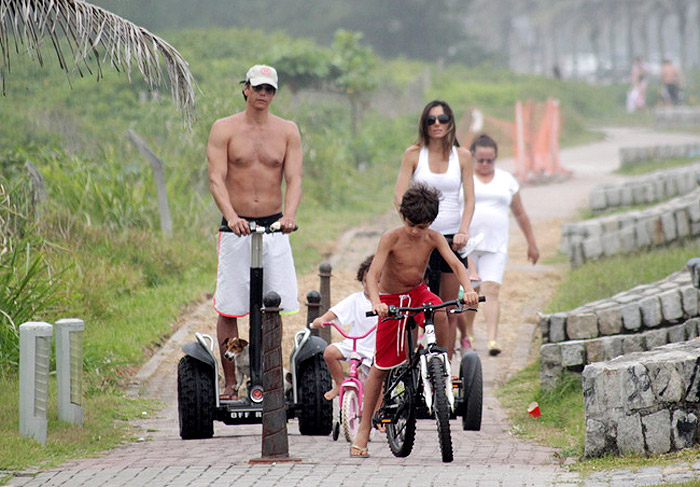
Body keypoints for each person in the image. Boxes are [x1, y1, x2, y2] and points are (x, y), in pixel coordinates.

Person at [349, 183, 479, 458]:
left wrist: (468, 290)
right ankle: (363, 430)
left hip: (418, 293)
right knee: (381, 366)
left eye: (422, 226)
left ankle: (438, 363)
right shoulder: (391, 238)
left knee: (440, 311)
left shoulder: (433, 237)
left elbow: (456, 264)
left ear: (431, 223)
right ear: (402, 216)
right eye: (411, 225)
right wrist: (376, 302)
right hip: (392, 300)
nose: (415, 231)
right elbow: (373, 275)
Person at [207, 64, 303, 400]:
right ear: (246, 88)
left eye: (269, 90)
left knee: (272, 305)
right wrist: (231, 216)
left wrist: (289, 216)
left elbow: (295, 178)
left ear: (274, 94)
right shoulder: (224, 129)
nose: (263, 94)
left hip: (274, 226)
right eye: (258, 88)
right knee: (230, 306)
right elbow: (216, 178)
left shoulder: (288, 130)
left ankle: (269, 376)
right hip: (237, 228)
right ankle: (231, 380)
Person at [393, 100, 476, 358]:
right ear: (424, 124)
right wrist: (412, 224)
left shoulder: (462, 156)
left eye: (442, 119)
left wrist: (463, 229)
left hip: (451, 238)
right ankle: (408, 364)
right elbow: (399, 195)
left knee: (448, 309)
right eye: (431, 120)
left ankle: (445, 367)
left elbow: (470, 198)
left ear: (451, 122)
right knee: (413, 307)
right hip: (420, 236)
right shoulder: (414, 154)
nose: (437, 124)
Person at [458, 134, 538, 357]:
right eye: (480, 160)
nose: (484, 165)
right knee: (471, 291)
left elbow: (520, 213)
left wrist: (531, 243)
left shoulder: (506, 180)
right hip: (468, 246)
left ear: (495, 159)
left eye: (489, 160)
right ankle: (468, 334)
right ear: (472, 157)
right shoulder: (464, 179)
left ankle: (493, 338)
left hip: (496, 245)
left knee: (491, 289)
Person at [310, 255, 377, 401]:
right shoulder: (356, 299)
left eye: (375, 282)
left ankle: (377, 415)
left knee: (378, 384)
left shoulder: (386, 300)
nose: (368, 285)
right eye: (365, 281)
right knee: (330, 352)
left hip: (375, 349)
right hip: (355, 344)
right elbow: (336, 311)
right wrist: (322, 319)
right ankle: (340, 383)